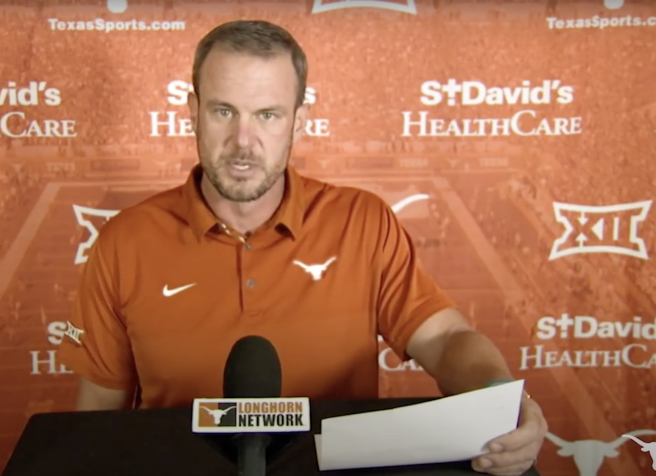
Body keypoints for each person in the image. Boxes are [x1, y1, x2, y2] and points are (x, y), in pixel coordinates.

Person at [57, 20, 547, 476]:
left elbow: (443, 339)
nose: (243, 141)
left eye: (267, 114)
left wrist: (496, 397)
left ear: (299, 120)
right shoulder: (124, 242)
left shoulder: (363, 222)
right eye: (223, 111)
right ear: (193, 112)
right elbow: (99, 415)